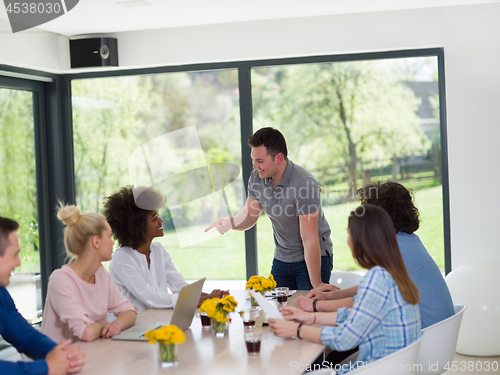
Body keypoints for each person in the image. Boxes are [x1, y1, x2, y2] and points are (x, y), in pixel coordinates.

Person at [268, 205, 421, 374]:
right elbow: (353, 315)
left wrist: (296, 330)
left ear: (363, 240)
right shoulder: (392, 273)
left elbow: (343, 339)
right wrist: (308, 316)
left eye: (349, 234)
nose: (348, 241)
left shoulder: (378, 279)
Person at [301, 181, 454, 329]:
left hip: (423, 336)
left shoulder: (391, 249)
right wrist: (329, 296)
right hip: (439, 333)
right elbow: (371, 288)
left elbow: (364, 302)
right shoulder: (408, 240)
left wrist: (316, 306)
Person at [205, 127, 334, 290]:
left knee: (307, 308)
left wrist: (317, 284)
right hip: (282, 257)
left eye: (260, 161)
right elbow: (250, 215)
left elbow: (309, 238)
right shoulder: (257, 177)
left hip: (313, 256)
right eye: (253, 160)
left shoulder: (304, 184)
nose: (254, 166)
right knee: (279, 310)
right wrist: (231, 222)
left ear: (279, 158)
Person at [103, 186, 227, 313]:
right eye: (154, 217)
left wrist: (209, 296)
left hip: (156, 320)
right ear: (138, 226)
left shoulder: (158, 250)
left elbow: (180, 287)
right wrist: (206, 300)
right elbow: (152, 298)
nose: (160, 221)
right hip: (130, 328)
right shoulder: (122, 259)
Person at [0, 216, 85, 375]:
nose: (18, 263)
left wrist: (59, 354)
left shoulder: (1, 294)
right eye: (14, 254)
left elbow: (26, 338)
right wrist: (47, 367)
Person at [41, 205, 138, 343]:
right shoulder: (60, 280)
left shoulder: (101, 274)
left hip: (92, 353)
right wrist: (102, 325)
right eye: (109, 236)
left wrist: (116, 325)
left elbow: (129, 311)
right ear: (96, 241)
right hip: (60, 360)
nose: (113, 242)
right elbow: (86, 333)